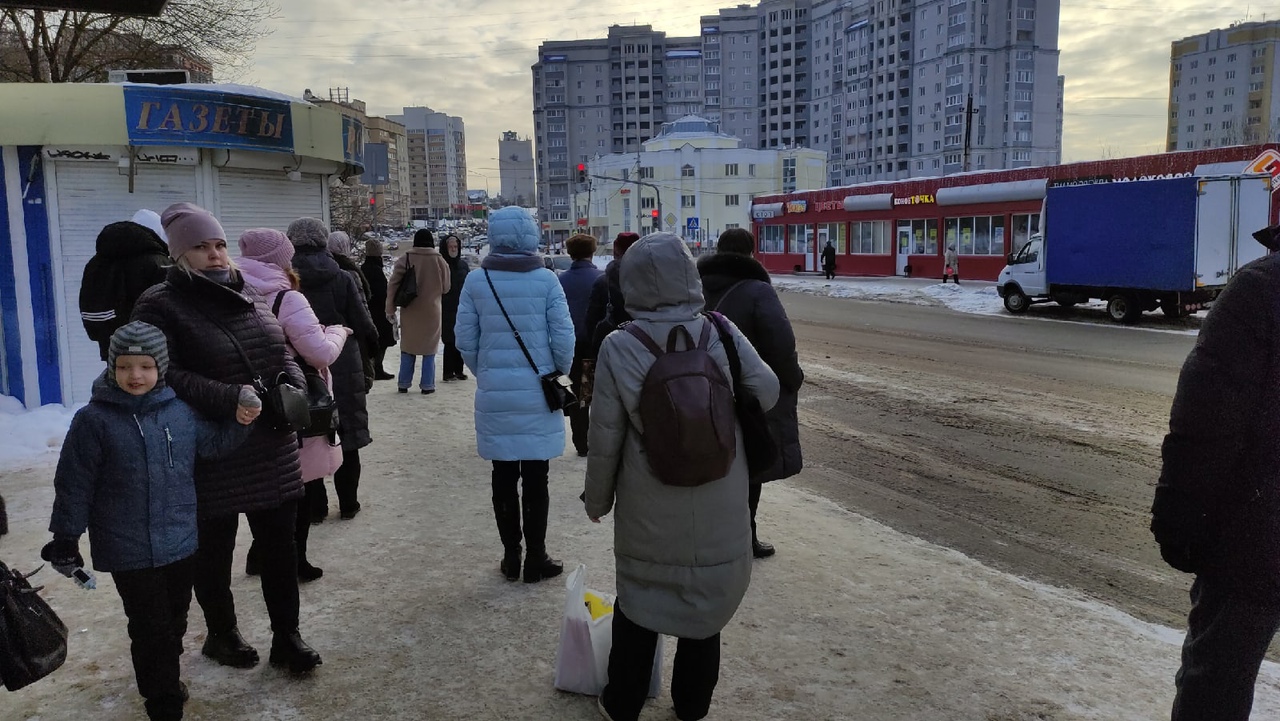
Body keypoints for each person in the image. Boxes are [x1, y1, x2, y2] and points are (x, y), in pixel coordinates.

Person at [585, 232, 780, 721]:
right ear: (689, 276)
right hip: (720, 492)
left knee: (639, 606)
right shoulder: (720, 329)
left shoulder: (620, 345)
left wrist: (597, 499)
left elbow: (605, 433)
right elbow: (769, 390)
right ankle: (692, 705)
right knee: (705, 612)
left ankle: (623, 702)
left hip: (649, 503)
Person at [131, 201, 321, 675]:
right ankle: (222, 632)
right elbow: (160, 372)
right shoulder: (159, 304)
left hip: (270, 443)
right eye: (200, 247)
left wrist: (294, 385)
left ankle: (287, 637)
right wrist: (228, 396)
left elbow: (280, 348)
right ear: (178, 254)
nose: (215, 255)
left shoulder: (248, 292)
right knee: (213, 551)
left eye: (218, 244)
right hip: (210, 447)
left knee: (280, 548)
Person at [41, 321, 251, 721]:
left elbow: (213, 445)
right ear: (111, 367)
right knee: (150, 628)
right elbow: (74, 483)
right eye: (123, 366)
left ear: (161, 368)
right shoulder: (94, 421)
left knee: (174, 620)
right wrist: (66, 536)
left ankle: (165, 678)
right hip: (127, 547)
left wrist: (241, 421)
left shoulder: (180, 413)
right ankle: (163, 701)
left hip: (180, 541)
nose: (134, 376)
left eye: (144, 366)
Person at [1152, 225, 1280, 721]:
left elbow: (1208, 419)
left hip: (1258, 536)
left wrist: (1181, 516)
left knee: (1217, 678)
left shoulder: (1261, 290)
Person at [455, 206, 575, 584]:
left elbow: (464, 339)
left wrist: (484, 371)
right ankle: (537, 557)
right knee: (537, 478)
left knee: (503, 475)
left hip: (496, 393)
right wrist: (556, 371)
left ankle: (511, 557)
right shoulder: (547, 280)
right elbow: (564, 337)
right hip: (539, 393)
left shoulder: (477, 281)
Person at [237, 228, 350, 580]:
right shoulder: (287, 299)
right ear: (281, 261)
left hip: (248, 400)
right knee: (296, 485)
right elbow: (318, 353)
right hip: (290, 401)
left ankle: (259, 555)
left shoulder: (231, 290)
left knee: (263, 485)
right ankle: (295, 562)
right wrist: (337, 331)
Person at [697, 228, 805, 559]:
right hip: (746, 397)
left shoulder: (695, 288)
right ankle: (746, 537)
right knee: (750, 465)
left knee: (711, 463)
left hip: (701, 391)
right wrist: (791, 379)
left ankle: (708, 534)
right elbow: (780, 344)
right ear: (752, 252)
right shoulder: (758, 291)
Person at [288, 218, 380, 522]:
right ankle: (349, 503)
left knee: (310, 434)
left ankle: (315, 507)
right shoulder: (342, 277)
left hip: (302, 366)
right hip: (344, 360)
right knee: (348, 432)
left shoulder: (285, 277)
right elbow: (365, 325)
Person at [79, 210, 170, 361]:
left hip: (111, 346)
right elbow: (169, 309)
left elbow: (89, 302)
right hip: (152, 350)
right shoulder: (159, 263)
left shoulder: (97, 262)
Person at [386, 228, 451, 394]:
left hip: (410, 311)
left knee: (408, 347)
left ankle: (404, 383)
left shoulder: (406, 258)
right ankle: (427, 385)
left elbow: (393, 284)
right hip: (432, 312)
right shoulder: (439, 260)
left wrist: (390, 308)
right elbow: (446, 288)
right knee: (430, 349)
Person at [580, 231, 640, 406]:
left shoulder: (602, 282)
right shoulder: (652, 280)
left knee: (608, 406)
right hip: (643, 353)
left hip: (608, 353)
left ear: (616, 251)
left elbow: (591, 322)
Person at [558, 233, 604, 456]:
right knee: (598, 392)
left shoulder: (560, 280)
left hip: (570, 346)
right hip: (596, 345)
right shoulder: (602, 278)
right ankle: (599, 440)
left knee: (578, 395)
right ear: (592, 252)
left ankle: (581, 442)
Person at [360, 238, 397, 380]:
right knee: (382, 340)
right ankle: (377, 368)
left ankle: (374, 367)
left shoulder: (363, 268)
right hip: (379, 312)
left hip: (369, 311)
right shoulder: (376, 270)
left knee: (375, 340)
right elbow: (382, 292)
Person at [439, 234, 471, 382]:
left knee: (461, 340)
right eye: (450, 247)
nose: (453, 249)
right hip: (445, 308)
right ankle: (447, 372)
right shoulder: (440, 265)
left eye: (456, 247)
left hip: (462, 308)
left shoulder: (463, 265)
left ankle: (459, 370)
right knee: (449, 341)